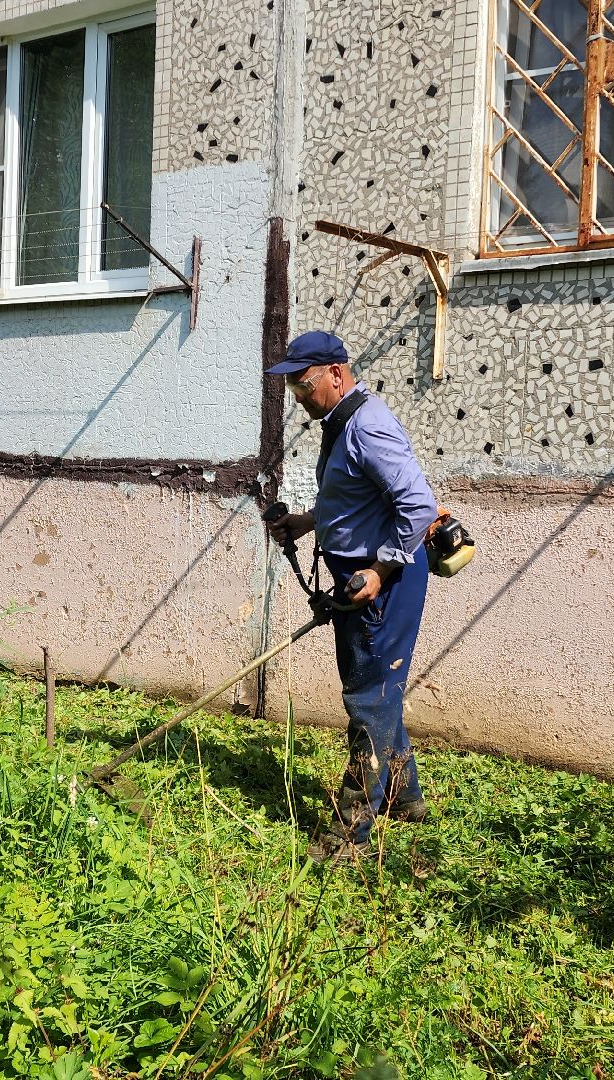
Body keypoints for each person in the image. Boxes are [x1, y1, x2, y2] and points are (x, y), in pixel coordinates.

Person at [264, 330, 439, 862]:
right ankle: (404, 798)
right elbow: (350, 500)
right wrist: (305, 522)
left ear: (336, 374)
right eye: (291, 383)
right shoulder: (340, 424)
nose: (297, 393)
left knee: (369, 701)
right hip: (355, 581)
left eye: (303, 381)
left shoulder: (369, 426)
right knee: (376, 690)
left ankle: (349, 834)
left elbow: (419, 505)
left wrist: (381, 573)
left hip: (381, 587)